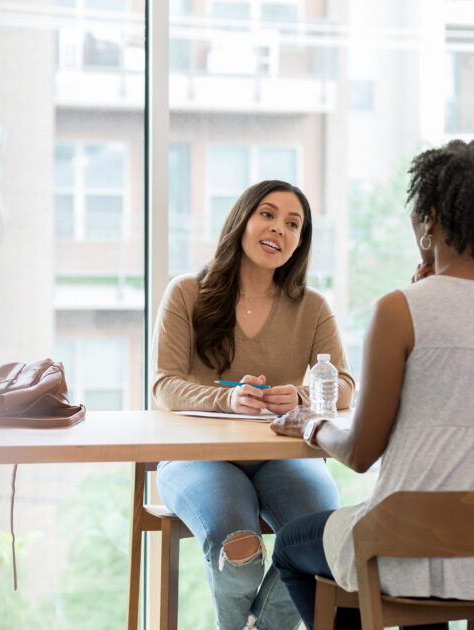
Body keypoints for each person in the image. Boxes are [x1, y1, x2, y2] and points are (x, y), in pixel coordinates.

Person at [269, 140, 474, 630]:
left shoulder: (400, 309)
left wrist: (312, 424)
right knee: (427, 548)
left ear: (430, 218)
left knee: (292, 546)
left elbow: (360, 453)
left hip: (412, 542)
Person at [151, 179, 355, 630]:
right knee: (239, 551)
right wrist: (227, 398)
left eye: (293, 223)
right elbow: (164, 384)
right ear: (242, 220)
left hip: (283, 456)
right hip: (198, 458)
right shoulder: (186, 292)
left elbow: (343, 385)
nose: (278, 228)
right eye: (267, 214)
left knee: (321, 539)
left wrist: (300, 395)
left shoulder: (313, 306)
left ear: (299, 243)